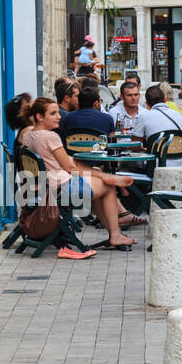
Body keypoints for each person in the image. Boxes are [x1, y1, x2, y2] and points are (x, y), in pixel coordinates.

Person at [17, 97, 139, 250]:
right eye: (53, 113)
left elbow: (69, 163)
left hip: (43, 187)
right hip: (59, 189)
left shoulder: (28, 135)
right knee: (108, 187)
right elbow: (70, 168)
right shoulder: (50, 137)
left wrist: (95, 174)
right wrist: (101, 176)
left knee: (99, 179)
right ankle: (115, 234)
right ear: (39, 117)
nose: (59, 116)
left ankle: (115, 231)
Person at [140, 85, 182, 151]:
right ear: (165, 100)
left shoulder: (144, 116)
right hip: (181, 159)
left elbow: (135, 144)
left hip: (157, 160)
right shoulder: (178, 114)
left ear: (147, 104)